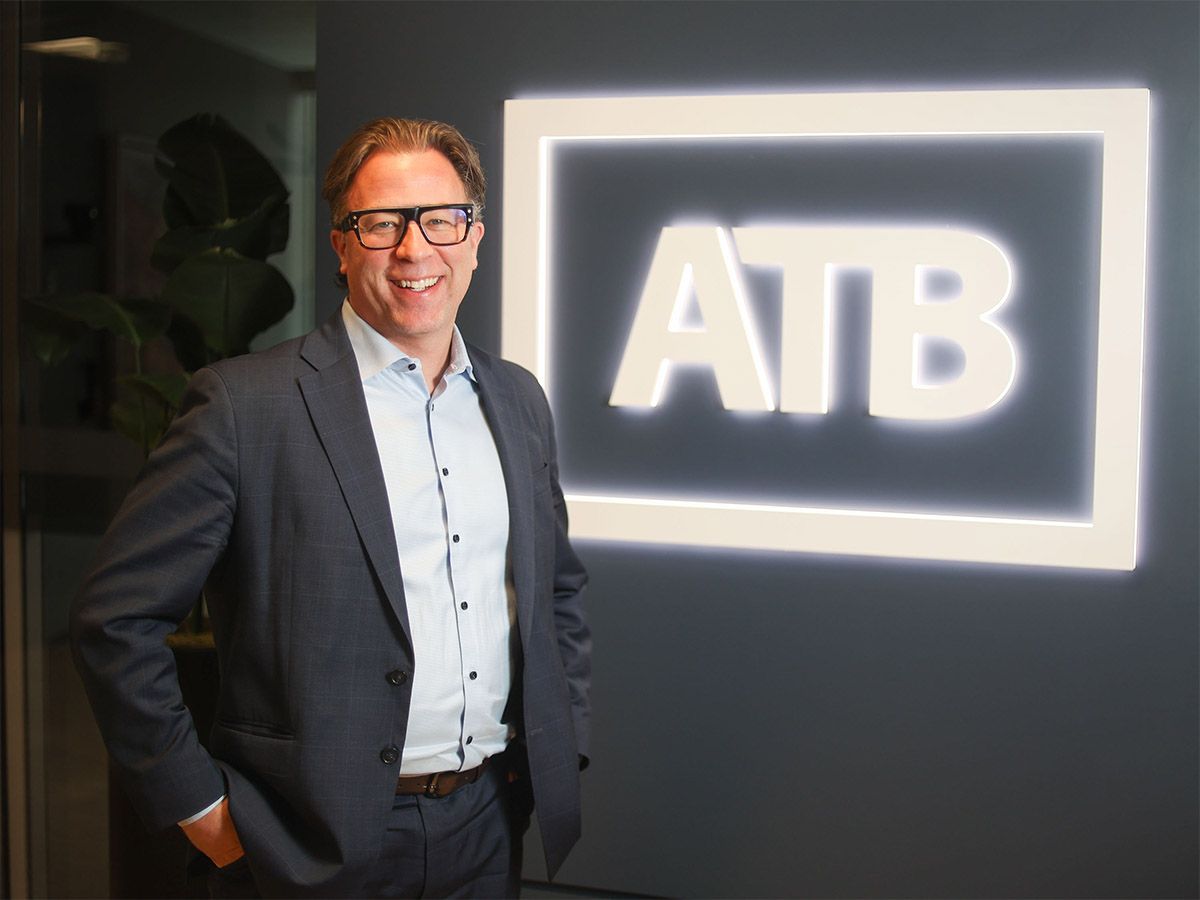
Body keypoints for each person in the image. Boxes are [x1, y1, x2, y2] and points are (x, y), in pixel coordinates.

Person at [71, 117, 591, 898]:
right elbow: (115, 619)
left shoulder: (517, 399)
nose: (416, 251)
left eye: (442, 220)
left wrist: (560, 737)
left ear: (476, 238)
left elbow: (557, 591)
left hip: (487, 825)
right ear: (342, 245)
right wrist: (203, 812)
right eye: (383, 224)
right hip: (304, 844)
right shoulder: (245, 406)